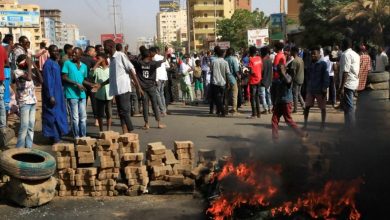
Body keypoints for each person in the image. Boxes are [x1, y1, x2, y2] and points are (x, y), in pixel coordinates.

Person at [96, 40, 143, 134]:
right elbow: (112, 77)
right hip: (116, 90)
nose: (103, 49)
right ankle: (124, 132)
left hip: (124, 89)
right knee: (120, 112)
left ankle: (131, 132)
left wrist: (138, 87)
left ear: (110, 47)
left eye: (104, 47)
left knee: (124, 111)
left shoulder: (120, 56)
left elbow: (131, 70)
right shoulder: (111, 60)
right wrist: (101, 84)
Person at [62, 47, 95, 138]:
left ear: (81, 55)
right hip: (71, 94)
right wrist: (76, 83)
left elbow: (83, 80)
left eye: (76, 53)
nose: (73, 55)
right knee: (75, 117)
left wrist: (91, 84)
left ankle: (83, 136)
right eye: (73, 53)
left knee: (83, 117)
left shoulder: (84, 66)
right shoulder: (67, 63)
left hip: (82, 94)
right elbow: (64, 77)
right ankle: (76, 136)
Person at [271, 61, 307, 142]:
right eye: (278, 69)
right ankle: (275, 138)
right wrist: (274, 104)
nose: (279, 71)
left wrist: (283, 73)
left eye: (281, 69)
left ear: (285, 69)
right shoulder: (276, 80)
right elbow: (273, 93)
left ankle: (301, 134)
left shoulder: (288, 77)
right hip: (279, 102)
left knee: (288, 120)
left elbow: (288, 82)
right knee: (274, 119)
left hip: (287, 102)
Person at [132, 48, 166, 130]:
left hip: (142, 88)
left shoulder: (138, 63)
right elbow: (164, 60)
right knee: (154, 105)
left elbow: (130, 59)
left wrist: (126, 51)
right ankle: (159, 123)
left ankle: (146, 124)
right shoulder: (153, 63)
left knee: (145, 105)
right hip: (151, 87)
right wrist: (165, 52)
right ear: (150, 56)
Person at [42, 45, 69, 143]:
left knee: (59, 114)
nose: (56, 53)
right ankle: (54, 137)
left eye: (57, 51)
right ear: (49, 52)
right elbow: (48, 81)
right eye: (54, 51)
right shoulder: (48, 64)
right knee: (52, 115)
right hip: (52, 94)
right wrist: (51, 96)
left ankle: (57, 135)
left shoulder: (55, 63)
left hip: (58, 93)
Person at [14, 55, 42, 148]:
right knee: (24, 126)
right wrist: (30, 65)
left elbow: (41, 80)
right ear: (18, 63)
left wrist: (36, 67)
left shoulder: (28, 70)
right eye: (25, 61)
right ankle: (19, 148)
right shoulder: (17, 72)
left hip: (32, 101)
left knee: (31, 126)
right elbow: (29, 78)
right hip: (24, 102)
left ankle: (28, 148)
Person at [304, 46, 329, 131]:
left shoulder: (323, 64)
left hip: (320, 90)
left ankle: (322, 125)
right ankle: (305, 124)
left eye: (314, 54)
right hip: (310, 89)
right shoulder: (310, 64)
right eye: (312, 54)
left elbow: (326, 77)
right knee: (307, 107)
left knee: (322, 108)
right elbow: (308, 76)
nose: (313, 56)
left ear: (319, 54)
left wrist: (324, 88)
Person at [339, 38, 360, 128]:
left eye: (341, 44)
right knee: (347, 106)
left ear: (344, 45)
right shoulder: (355, 54)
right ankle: (348, 126)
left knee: (349, 106)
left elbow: (345, 72)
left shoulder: (345, 54)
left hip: (347, 83)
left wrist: (341, 87)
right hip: (354, 82)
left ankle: (351, 128)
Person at [91, 53, 112, 132]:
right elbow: (91, 74)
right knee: (100, 114)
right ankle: (101, 131)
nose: (98, 60)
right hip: (99, 95)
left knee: (109, 113)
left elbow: (112, 81)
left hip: (109, 94)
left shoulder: (110, 69)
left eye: (99, 58)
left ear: (104, 59)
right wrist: (97, 64)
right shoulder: (97, 69)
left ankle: (108, 130)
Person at [209, 46, 230, 117]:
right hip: (223, 82)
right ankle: (219, 111)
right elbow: (227, 74)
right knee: (221, 97)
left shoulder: (213, 61)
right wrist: (228, 83)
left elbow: (211, 71)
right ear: (222, 55)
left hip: (215, 82)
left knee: (217, 98)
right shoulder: (225, 62)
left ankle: (221, 111)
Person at [81, 46, 98, 126]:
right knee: (94, 101)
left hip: (82, 83)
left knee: (83, 101)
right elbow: (96, 70)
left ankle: (82, 118)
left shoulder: (80, 59)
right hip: (91, 83)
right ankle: (96, 120)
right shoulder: (92, 60)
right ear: (89, 52)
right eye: (93, 51)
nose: (94, 53)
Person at [151, 47, 169, 116]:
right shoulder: (162, 57)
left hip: (157, 78)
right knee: (161, 94)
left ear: (154, 51)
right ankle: (164, 109)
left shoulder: (154, 58)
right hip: (163, 77)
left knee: (158, 94)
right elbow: (168, 66)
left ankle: (162, 110)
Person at [247, 46, 262, 119]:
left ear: (250, 52)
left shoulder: (251, 60)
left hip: (253, 80)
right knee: (257, 97)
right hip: (259, 79)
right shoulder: (259, 58)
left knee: (252, 98)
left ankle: (254, 114)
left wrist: (247, 72)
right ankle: (259, 113)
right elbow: (261, 68)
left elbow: (251, 71)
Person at [289, 47, 305, 113]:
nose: (290, 52)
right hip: (301, 78)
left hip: (296, 79)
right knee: (298, 93)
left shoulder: (294, 61)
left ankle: (295, 109)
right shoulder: (301, 59)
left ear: (294, 52)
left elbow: (293, 72)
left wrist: (290, 80)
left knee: (295, 94)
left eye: (291, 51)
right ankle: (304, 106)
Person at [224, 48, 239, 115]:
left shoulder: (225, 59)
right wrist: (239, 78)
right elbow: (236, 70)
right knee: (234, 94)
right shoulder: (233, 59)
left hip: (225, 79)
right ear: (233, 53)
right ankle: (234, 109)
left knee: (226, 95)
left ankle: (226, 109)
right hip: (232, 79)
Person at [259, 46, 273, 114]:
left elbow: (261, 71)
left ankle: (266, 109)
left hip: (262, 80)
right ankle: (270, 108)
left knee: (263, 95)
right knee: (268, 95)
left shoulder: (262, 61)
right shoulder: (270, 60)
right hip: (269, 80)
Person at [0, 34, 9, 129]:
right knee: (1, 103)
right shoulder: (3, 49)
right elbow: (7, 63)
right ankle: (3, 127)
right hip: (1, 79)